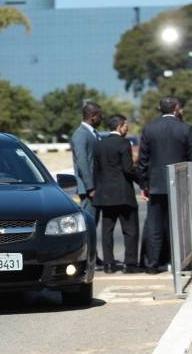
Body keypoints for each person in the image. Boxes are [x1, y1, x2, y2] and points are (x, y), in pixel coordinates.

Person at [138, 97, 192, 274]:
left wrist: (144, 184)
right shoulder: (185, 128)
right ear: (176, 108)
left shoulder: (149, 128)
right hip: (179, 183)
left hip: (156, 184)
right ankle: (181, 263)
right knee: (180, 225)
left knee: (155, 226)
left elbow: (143, 160)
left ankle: (152, 265)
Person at [93, 115, 143, 274]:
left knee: (107, 231)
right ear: (119, 126)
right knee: (130, 230)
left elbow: (96, 170)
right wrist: (142, 182)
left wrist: (96, 189)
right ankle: (130, 264)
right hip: (123, 194)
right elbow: (128, 169)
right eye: (126, 125)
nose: (127, 128)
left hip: (105, 195)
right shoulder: (123, 143)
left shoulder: (99, 144)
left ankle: (108, 264)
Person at [71, 101, 104, 268]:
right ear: (92, 116)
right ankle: (86, 259)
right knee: (88, 225)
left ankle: (93, 256)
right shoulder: (81, 135)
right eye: (100, 115)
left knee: (93, 224)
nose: (102, 118)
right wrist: (90, 187)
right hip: (89, 190)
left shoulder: (92, 133)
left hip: (96, 188)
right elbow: (83, 162)